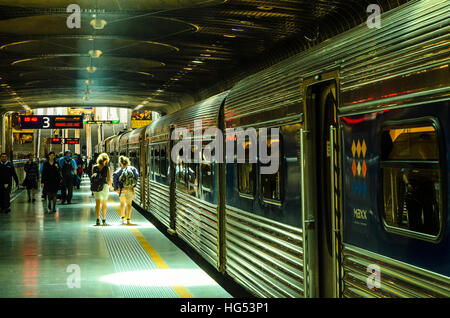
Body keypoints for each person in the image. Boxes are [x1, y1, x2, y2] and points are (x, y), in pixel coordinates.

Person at [113, 155, 139, 225]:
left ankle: (122, 218)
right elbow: (136, 176)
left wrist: (116, 188)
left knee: (122, 204)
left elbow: (115, 177)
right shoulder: (132, 169)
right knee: (129, 204)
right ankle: (128, 219)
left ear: (121, 163)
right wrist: (133, 187)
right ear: (128, 162)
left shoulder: (119, 170)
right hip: (130, 189)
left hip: (122, 190)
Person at [91, 153, 113, 226]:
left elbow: (92, 178)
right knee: (104, 203)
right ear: (106, 160)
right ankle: (103, 219)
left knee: (97, 203)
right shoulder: (107, 168)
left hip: (96, 187)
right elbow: (109, 179)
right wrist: (112, 187)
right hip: (104, 186)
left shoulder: (94, 167)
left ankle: (97, 219)